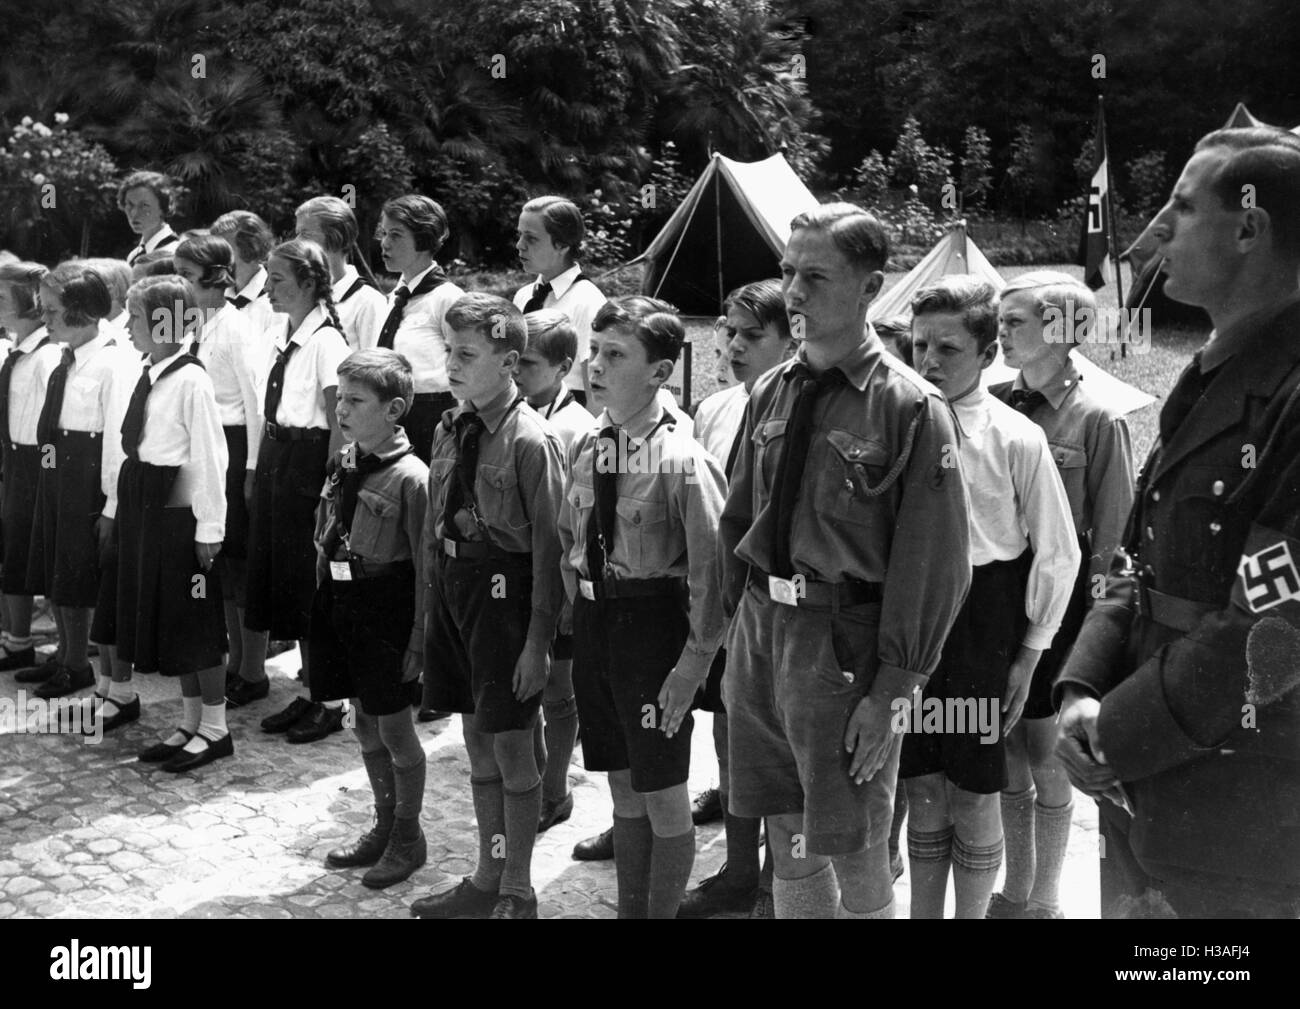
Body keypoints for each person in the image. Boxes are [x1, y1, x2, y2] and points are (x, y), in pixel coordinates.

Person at [1056, 126, 1300, 918]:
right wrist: (1080, 687)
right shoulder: (1211, 373)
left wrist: (1113, 735)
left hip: (1242, 814)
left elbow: (1269, 630)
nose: (1158, 228)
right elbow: (1134, 563)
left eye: (1182, 207)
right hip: (1147, 785)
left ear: (1249, 228)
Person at [717, 203, 972, 919]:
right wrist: (728, 636)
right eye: (788, 272)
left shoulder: (910, 408)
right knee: (786, 826)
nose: (793, 293)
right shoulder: (772, 387)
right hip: (764, 635)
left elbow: (938, 564)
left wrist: (895, 687)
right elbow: (739, 520)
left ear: (870, 286)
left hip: (842, 647)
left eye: (816, 276)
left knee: (854, 840)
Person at [900, 276, 1079, 919]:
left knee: (974, 788)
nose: (930, 361)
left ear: (986, 353)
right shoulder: (900, 423)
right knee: (920, 783)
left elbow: (1060, 552)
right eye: (920, 345)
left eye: (948, 348)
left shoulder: (1014, 436)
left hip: (982, 618)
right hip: (912, 616)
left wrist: (1029, 656)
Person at [557, 295, 726, 919]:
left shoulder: (683, 459)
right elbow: (567, 541)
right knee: (623, 788)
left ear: (660, 371)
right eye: (594, 352)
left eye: (615, 355)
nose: (595, 367)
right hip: (600, 628)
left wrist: (690, 670)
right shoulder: (592, 444)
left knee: (662, 792)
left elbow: (716, 579)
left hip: (654, 635)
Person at [410, 293, 564, 920]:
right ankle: (486, 874)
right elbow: (431, 531)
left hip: (506, 602)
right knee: (476, 740)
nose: (452, 363)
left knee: (512, 748)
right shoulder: (450, 426)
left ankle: (517, 890)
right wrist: (425, 623)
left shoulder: (532, 441)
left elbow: (552, 555)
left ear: (509, 361)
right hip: (455, 593)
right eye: (449, 350)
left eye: (468, 353)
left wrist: (537, 644)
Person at [986, 271, 1135, 919]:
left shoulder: (1096, 419)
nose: (1001, 334)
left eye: (1014, 322)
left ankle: (1042, 900)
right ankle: (1016, 890)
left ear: (1062, 330)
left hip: (1065, 604)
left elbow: (1113, 538)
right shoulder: (993, 400)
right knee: (1007, 748)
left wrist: (1098, 644)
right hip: (996, 597)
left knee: (1047, 755)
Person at [679, 279, 794, 919]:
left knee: (780, 745)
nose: (734, 345)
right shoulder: (718, 407)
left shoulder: (802, 408)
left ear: (790, 337)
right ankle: (740, 867)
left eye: (753, 336)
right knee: (728, 728)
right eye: (728, 330)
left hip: (779, 602)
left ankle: (782, 881)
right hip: (726, 597)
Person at [311, 348, 430, 888]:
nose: (342, 409)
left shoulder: (412, 478)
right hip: (344, 604)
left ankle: (409, 835)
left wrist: (419, 640)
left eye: (355, 400)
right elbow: (327, 529)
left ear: (395, 408)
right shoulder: (344, 461)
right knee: (361, 719)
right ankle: (383, 823)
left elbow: (427, 569)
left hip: (388, 609)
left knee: (397, 729)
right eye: (339, 397)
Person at [118, 276, 231, 767]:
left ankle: (216, 727)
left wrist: (208, 529)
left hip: (180, 508)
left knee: (195, 618)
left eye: (136, 317)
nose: (127, 327)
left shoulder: (191, 379)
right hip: (147, 500)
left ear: (166, 322)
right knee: (172, 620)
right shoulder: (150, 372)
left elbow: (209, 458)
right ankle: (190, 721)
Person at [246, 240, 349, 743]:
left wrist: (331, 485)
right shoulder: (280, 332)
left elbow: (340, 419)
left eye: (279, 280)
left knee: (312, 582)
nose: (268, 288)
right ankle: (311, 693)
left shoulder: (327, 341)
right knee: (287, 579)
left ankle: (331, 701)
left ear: (310, 283)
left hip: (309, 463)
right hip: (277, 458)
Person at [24, 264, 137, 701]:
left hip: (88, 482)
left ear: (84, 311)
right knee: (56, 572)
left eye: (52, 310)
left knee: (78, 578)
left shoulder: (114, 362)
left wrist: (111, 506)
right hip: (57, 477)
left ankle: (78, 666)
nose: (45, 318)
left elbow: (118, 442)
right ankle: (65, 654)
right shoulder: (65, 357)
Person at [171, 234, 266, 710]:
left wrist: (250, 469)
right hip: (203, 446)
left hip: (234, 446)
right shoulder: (195, 326)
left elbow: (255, 406)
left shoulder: (237, 329)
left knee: (241, 564)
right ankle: (230, 662)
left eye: (186, 276)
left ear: (213, 277)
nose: (180, 285)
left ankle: (253, 669)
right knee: (218, 563)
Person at [515, 308, 595, 832]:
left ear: (564, 367)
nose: (517, 372)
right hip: (521, 571)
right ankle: (532, 772)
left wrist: (569, 595)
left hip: (562, 574)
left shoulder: (577, 428)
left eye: (529, 362)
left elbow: (581, 518)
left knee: (560, 688)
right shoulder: (512, 412)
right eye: (514, 361)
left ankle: (556, 787)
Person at [372, 194, 464, 463]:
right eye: (385, 233)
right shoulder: (394, 299)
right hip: (390, 416)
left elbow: (468, 365)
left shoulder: (447, 298)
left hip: (432, 421)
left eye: (396, 235)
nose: (385, 243)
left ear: (423, 240)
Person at [0, 261, 60, 675]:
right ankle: (15, 640)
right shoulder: (16, 351)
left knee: (33, 554)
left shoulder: (46, 355)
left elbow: (49, 422)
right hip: (13, 460)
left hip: (36, 463)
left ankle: (57, 648)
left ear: (28, 303)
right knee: (12, 553)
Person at [513, 196, 607, 408]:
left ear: (562, 245)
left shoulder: (588, 302)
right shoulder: (524, 296)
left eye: (531, 238)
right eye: (520, 235)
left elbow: (595, 390)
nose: (520, 245)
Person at [295, 196, 387, 351]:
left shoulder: (368, 302)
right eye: (297, 233)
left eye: (306, 234)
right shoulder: (296, 296)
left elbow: (374, 369)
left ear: (337, 238)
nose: (296, 242)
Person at [118, 171, 179, 266]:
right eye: (130, 204)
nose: (134, 213)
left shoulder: (176, 254)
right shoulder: (133, 256)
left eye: (144, 205)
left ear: (163, 208)